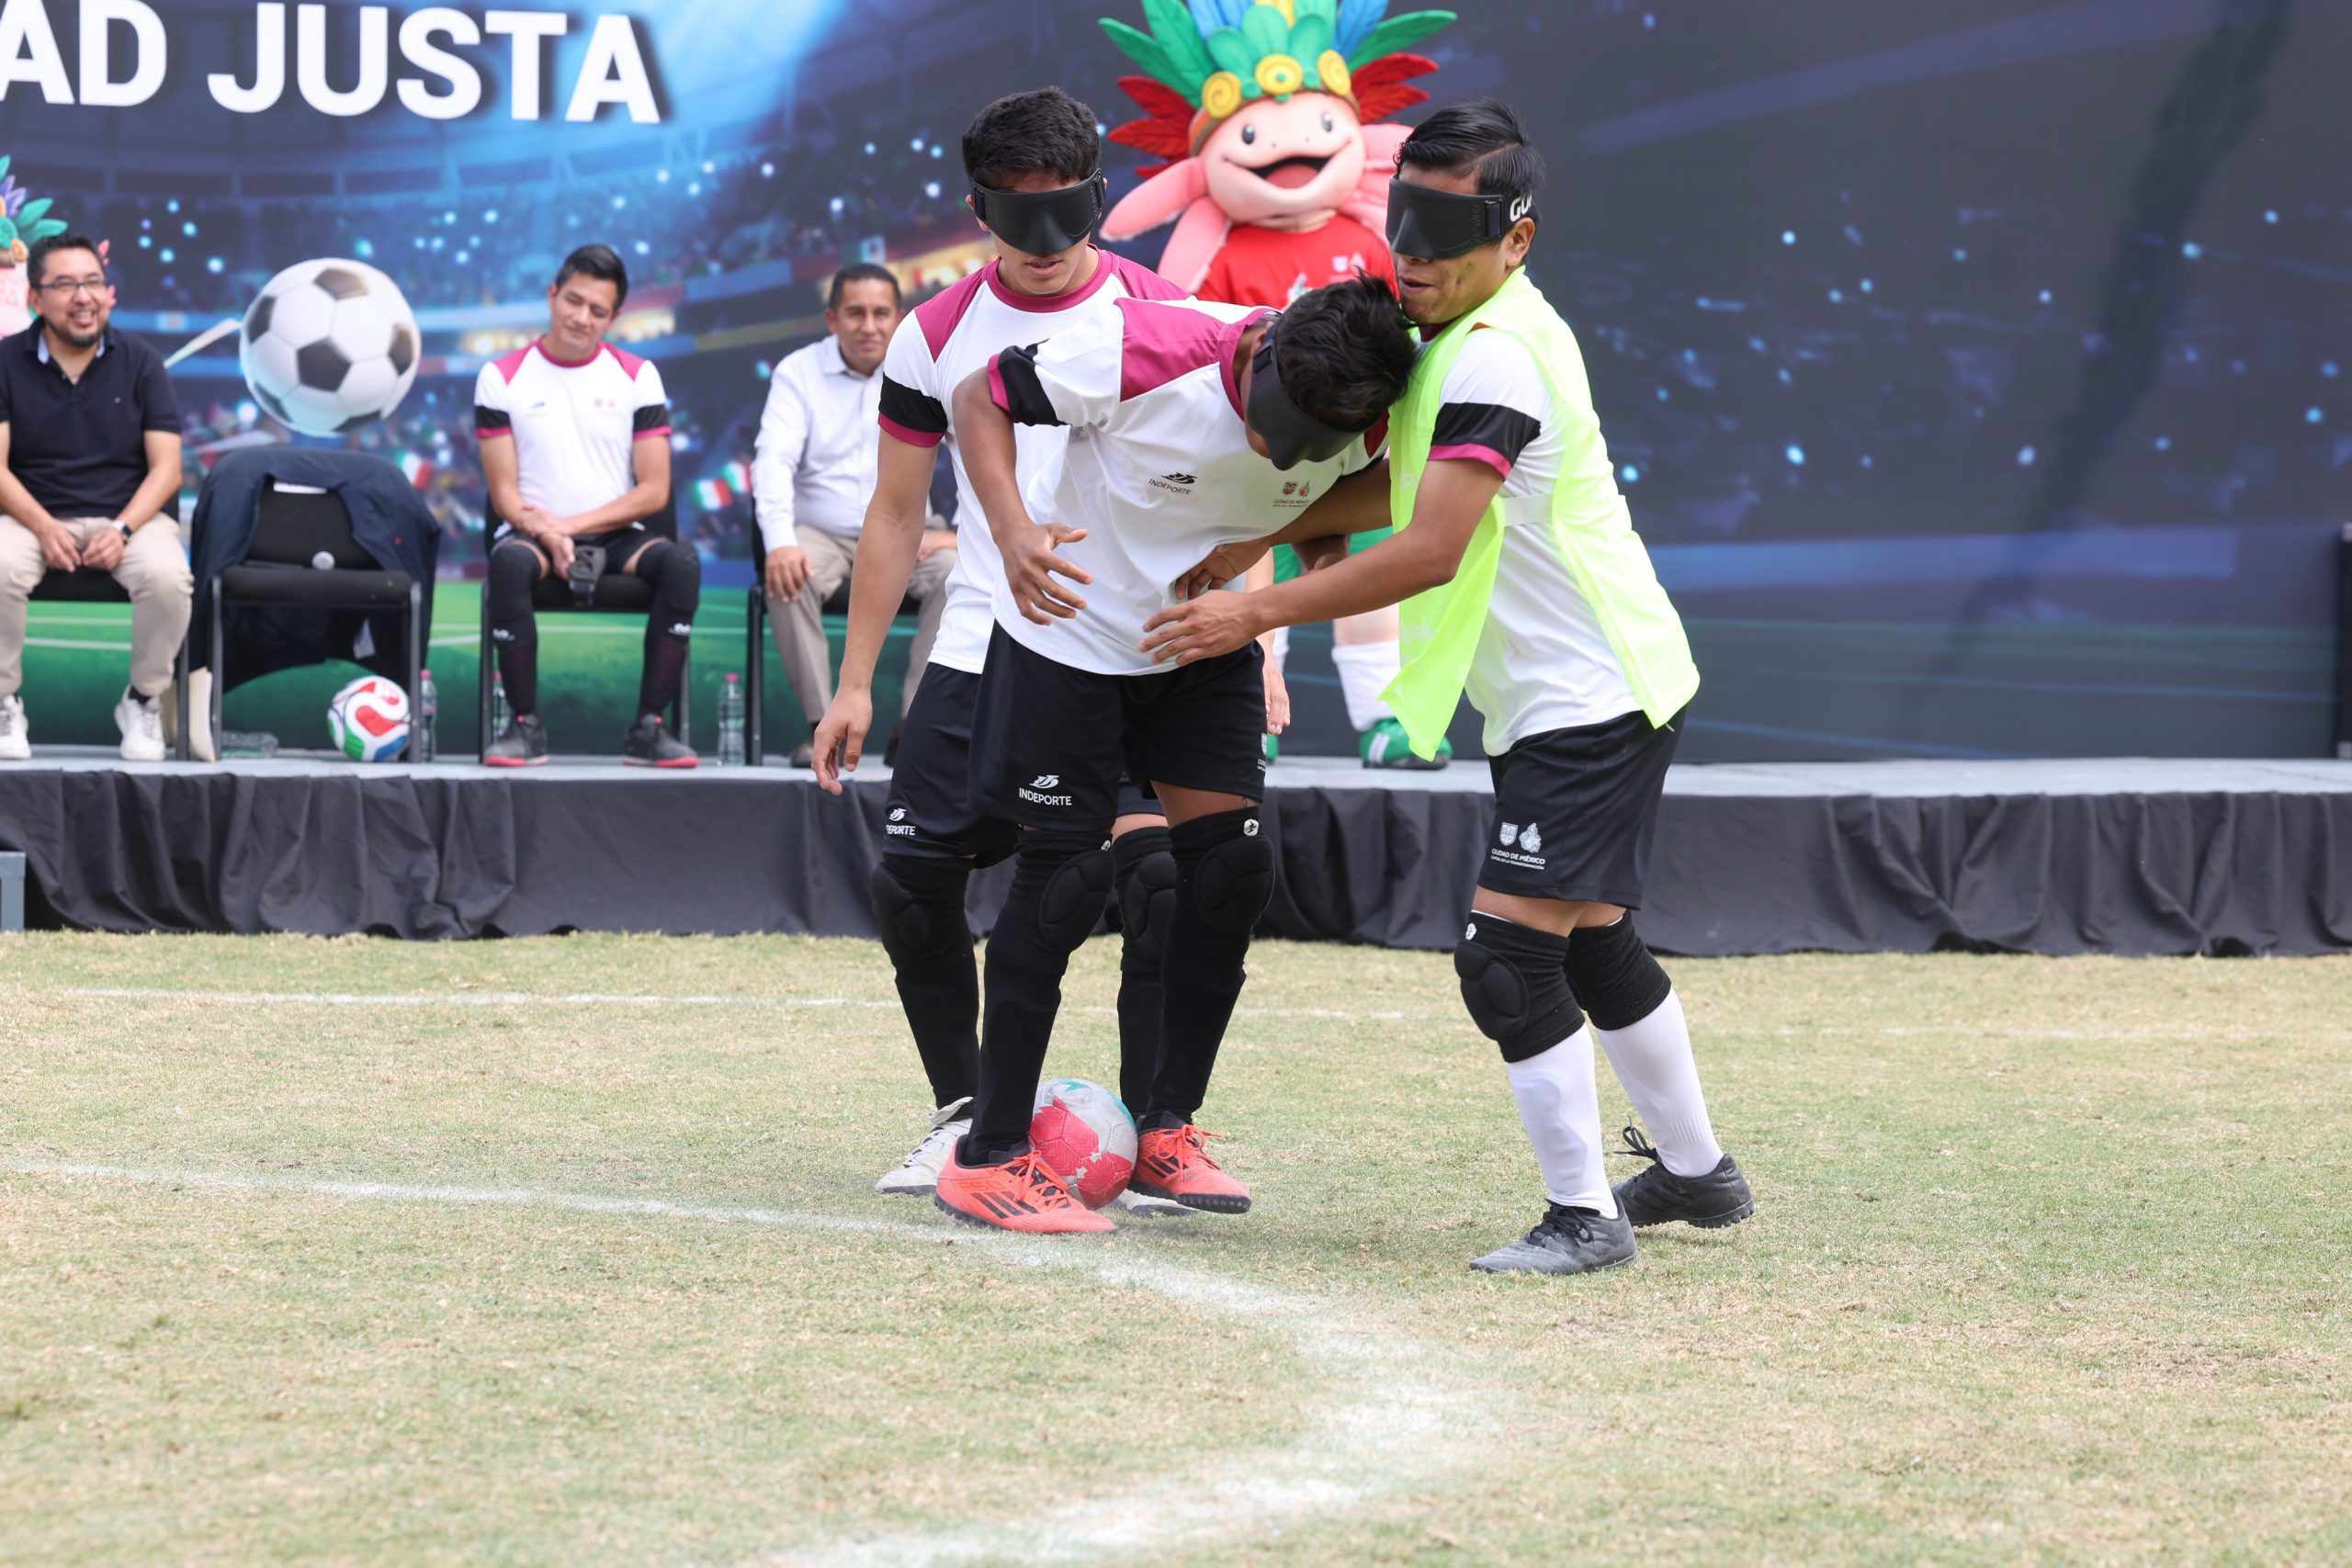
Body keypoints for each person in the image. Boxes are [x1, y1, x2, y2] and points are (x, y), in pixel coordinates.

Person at [1141, 99, 1754, 1275]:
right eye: (1400, 221)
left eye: (1443, 229)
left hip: (1593, 698)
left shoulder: (1494, 355)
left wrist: (1248, 605)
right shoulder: (1468, 332)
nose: (1409, 255)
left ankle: (1585, 1220)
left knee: (1504, 957)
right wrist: (1257, 546)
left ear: (1515, 238)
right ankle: (1695, 1176)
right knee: (1590, 946)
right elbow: (1405, 490)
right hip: (1576, 692)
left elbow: (1426, 548)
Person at [931, 274, 1417, 1235]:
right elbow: (977, 395)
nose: (1276, 448)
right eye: (1272, 419)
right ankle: (988, 1155)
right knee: (1064, 881)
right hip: (1067, 639)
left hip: (1202, 640)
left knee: (1229, 875)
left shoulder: (1375, 409)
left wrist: (1259, 547)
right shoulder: (1144, 348)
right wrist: (1013, 532)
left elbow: (1372, 490)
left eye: (1304, 440)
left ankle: (1165, 1130)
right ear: (1262, 348)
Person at [808, 87, 1198, 1208]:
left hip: (1131, 648)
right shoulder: (932, 334)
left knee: (1159, 880)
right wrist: (853, 683)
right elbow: (892, 516)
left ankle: (1156, 1133)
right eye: (1013, 216)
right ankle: (963, 1117)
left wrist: (1251, 640)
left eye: (1064, 215)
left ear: (1099, 199)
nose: (1041, 245)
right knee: (912, 888)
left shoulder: (1164, 310)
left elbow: (1223, 485)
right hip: (984, 644)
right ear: (977, 207)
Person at [475, 243, 696, 767]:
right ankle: (524, 726)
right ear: (552, 295)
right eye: (573, 301)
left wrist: (567, 527)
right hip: (530, 535)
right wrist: (545, 530)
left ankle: (649, 727)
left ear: (615, 317)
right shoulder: (502, 376)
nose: (582, 317)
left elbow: (654, 491)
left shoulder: (637, 375)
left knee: (681, 564)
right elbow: (504, 493)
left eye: (598, 310)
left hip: (617, 536)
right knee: (507, 562)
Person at [753, 263, 957, 767]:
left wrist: (960, 536)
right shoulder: (797, 372)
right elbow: (772, 461)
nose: (869, 326)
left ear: (900, 317)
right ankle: (823, 727)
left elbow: (983, 457)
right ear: (831, 319)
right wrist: (780, 541)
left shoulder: (928, 368)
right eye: (855, 313)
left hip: (914, 535)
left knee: (958, 574)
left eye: (881, 313)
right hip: (822, 533)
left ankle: (916, 730)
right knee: (790, 574)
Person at [0, 233, 190, 762]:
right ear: (35, 299)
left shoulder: (142, 362)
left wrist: (123, 529)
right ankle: (3, 701)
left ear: (107, 293)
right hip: (28, 516)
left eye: (93, 282)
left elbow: (167, 470)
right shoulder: (5, 361)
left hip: (129, 518)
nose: (83, 296)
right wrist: (42, 526)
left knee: (168, 577)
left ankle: (144, 698)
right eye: (64, 285)